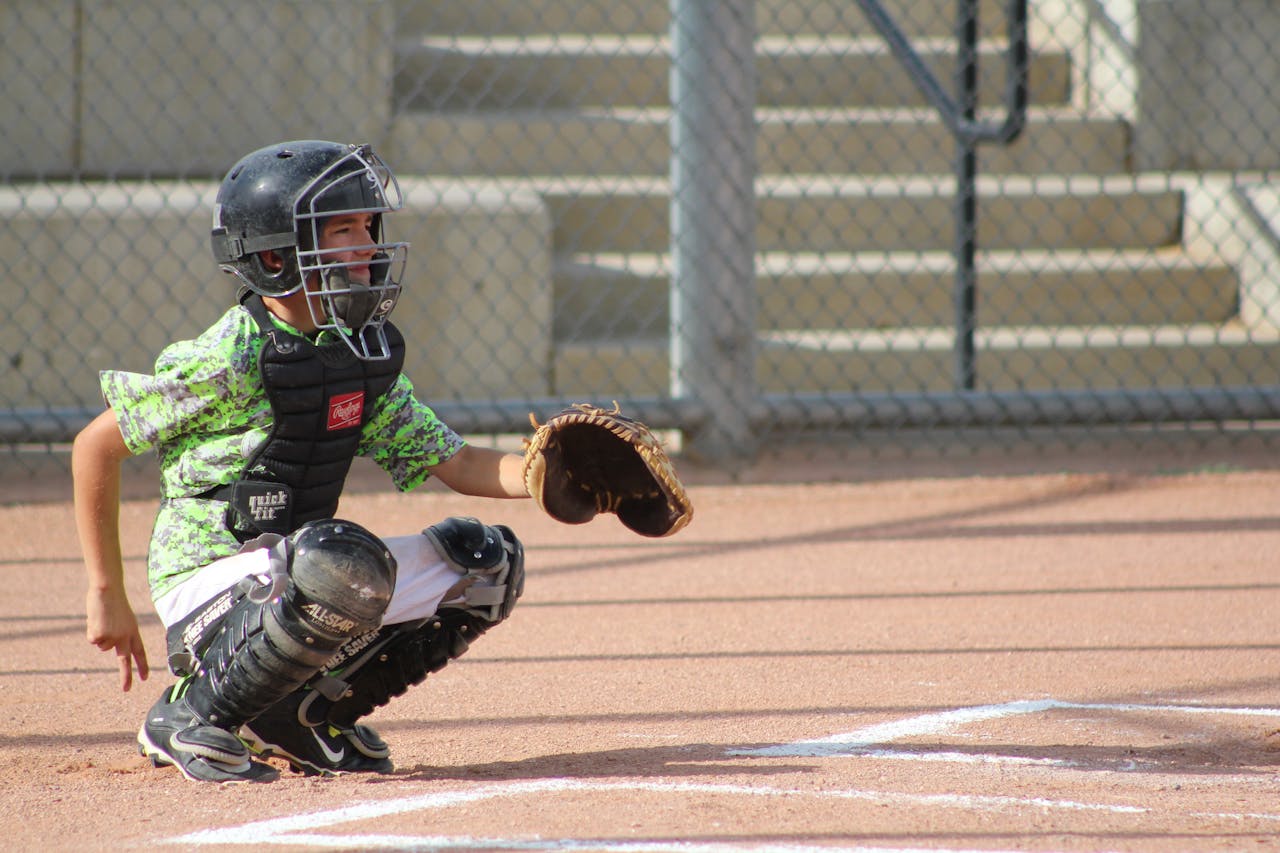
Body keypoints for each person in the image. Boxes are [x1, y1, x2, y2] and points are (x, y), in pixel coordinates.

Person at [73, 140, 530, 783]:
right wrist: (106, 593)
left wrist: (548, 473)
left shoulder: (357, 354)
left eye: (369, 225)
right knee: (339, 563)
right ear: (273, 255)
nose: (368, 244)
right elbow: (96, 446)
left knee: (485, 564)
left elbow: (459, 463)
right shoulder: (230, 355)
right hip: (208, 585)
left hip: (299, 576)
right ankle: (190, 715)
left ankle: (299, 715)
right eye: (342, 228)